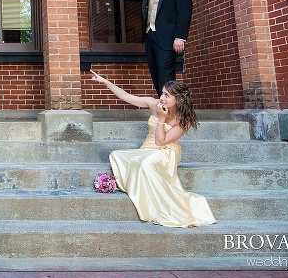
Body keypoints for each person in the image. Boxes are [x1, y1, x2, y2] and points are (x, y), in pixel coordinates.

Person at [90, 70, 216, 228]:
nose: (162, 98)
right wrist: (105, 81)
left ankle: (163, 210)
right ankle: (130, 186)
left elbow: (160, 141)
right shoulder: (154, 103)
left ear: (178, 99)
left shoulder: (184, 119)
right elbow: (127, 97)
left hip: (166, 152)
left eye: (167, 95)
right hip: (147, 148)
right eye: (162, 93)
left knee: (146, 164)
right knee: (116, 155)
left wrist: (161, 119)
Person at [92, 0, 192, 97]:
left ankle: (171, 105)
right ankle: (161, 102)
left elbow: (184, 12)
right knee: (155, 71)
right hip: (150, 37)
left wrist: (180, 37)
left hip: (166, 38)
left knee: (165, 70)